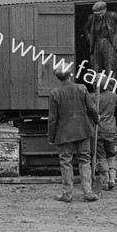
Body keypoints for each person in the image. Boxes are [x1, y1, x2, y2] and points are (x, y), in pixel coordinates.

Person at [48, 66, 100, 202]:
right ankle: (88, 192)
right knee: (84, 160)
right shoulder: (82, 88)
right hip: (83, 130)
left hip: (63, 133)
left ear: (57, 77)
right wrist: (96, 120)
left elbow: (52, 118)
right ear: (70, 74)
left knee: (65, 162)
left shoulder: (55, 93)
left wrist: (51, 137)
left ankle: (67, 194)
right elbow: (92, 108)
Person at [84, 1, 117, 78]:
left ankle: (110, 89)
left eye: (100, 13)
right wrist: (89, 38)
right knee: (96, 68)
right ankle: (97, 89)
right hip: (96, 44)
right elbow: (86, 28)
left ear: (105, 10)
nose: (99, 15)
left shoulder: (112, 15)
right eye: (97, 14)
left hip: (109, 43)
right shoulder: (91, 18)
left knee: (110, 67)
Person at [96, 80, 117, 191]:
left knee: (101, 156)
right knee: (111, 154)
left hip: (98, 130)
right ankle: (112, 179)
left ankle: (104, 181)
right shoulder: (113, 96)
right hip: (110, 130)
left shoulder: (92, 96)